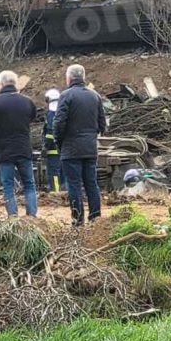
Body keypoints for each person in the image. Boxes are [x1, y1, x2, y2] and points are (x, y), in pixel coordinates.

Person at [54, 63, 108, 226]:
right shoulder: (95, 96)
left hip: (71, 148)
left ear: (69, 78)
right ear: (83, 77)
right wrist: (92, 136)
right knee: (91, 183)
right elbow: (102, 123)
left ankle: (77, 221)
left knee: (74, 185)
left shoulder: (66, 95)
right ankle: (96, 219)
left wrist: (59, 141)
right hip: (90, 148)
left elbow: (59, 123)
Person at [0, 71, 38, 218]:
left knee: (8, 186)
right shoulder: (27, 101)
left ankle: (13, 217)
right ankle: (32, 216)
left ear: (0, 84)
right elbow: (32, 117)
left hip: (4, 152)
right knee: (29, 184)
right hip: (24, 149)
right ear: (15, 82)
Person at [43, 88, 64, 193]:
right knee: (62, 171)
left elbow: (50, 133)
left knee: (54, 172)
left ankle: (56, 192)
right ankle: (64, 191)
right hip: (63, 149)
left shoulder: (51, 114)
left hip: (53, 150)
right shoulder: (63, 111)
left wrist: (45, 147)